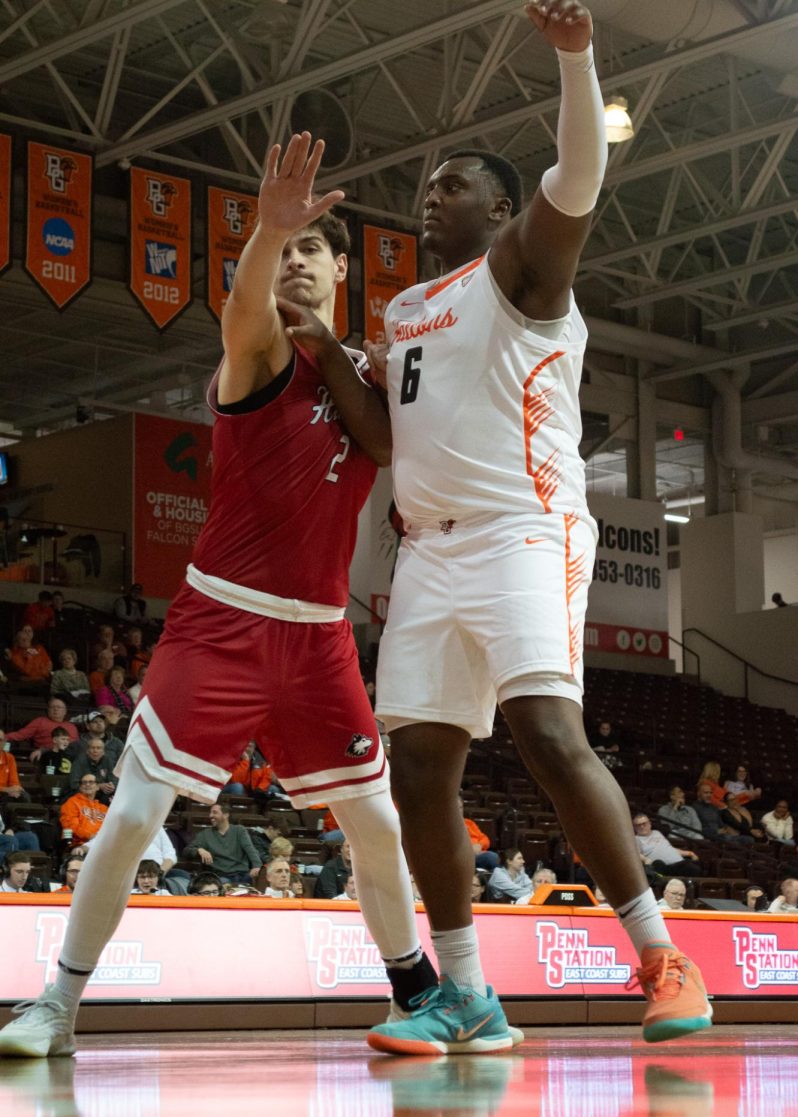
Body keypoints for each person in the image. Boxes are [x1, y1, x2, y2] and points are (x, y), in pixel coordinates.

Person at [0, 132, 477, 1062]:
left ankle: (417, 989)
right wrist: (269, 228)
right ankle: (56, 1005)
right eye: (282, 251)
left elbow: (401, 437)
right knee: (135, 814)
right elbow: (242, 305)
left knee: (376, 825)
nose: (295, 259)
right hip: (220, 623)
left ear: (344, 267)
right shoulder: (257, 351)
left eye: (311, 248)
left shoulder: (365, 374)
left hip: (319, 637)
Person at [364, 1, 711, 1053]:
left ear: (502, 206)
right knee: (420, 767)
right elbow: (382, 443)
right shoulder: (405, 309)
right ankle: (465, 993)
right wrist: (324, 351)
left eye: (454, 183)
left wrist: (576, 62)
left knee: (550, 735)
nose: (433, 195)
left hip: (525, 526)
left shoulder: (523, 269)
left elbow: (579, 180)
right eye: (427, 186)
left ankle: (661, 957)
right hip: (428, 545)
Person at [184, 802, 262, 884]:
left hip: (243, 874)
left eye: (215, 812)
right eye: (210, 813)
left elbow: (251, 850)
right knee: (223, 883)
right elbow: (186, 851)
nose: (210, 816)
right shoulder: (205, 834)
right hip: (221, 876)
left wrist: (257, 867)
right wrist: (199, 850)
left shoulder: (239, 830)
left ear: (225, 815)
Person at [6, 697, 79, 760]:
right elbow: (20, 735)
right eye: (52, 707)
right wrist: (3, 737)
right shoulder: (40, 721)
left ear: (65, 711)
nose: (55, 709)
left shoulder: (72, 726)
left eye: (59, 707)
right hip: (47, 755)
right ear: (48, 710)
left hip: (70, 756)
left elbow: (77, 746)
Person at [633, 815, 702, 878]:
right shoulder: (636, 839)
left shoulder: (657, 833)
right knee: (659, 864)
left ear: (650, 824)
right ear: (635, 827)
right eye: (638, 825)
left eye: (644, 824)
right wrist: (645, 859)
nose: (642, 826)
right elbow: (635, 854)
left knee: (696, 868)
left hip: (678, 863)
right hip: (663, 867)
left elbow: (670, 849)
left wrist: (689, 853)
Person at [59, 775, 107, 847]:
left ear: (97, 787)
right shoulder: (72, 802)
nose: (87, 784)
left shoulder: (104, 808)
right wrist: (91, 836)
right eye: (84, 782)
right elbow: (71, 826)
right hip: (79, 844)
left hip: (102, 844)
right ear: (80, 787)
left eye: (91, 782)